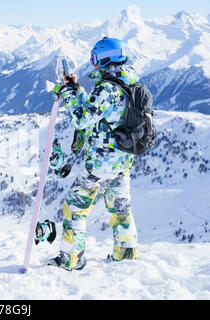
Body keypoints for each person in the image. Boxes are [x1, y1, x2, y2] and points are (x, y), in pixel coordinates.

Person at [49, 37, 139, 271]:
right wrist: (77, 89)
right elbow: (96, 110)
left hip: (102, 163)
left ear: (106, 57)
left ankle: (72, 258)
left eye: (95, 58)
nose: (93, 63)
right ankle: (126, 256)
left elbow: (82, 118)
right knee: (121, 209)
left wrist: (67, 93)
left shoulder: (107, 88)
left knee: (75, 207)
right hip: (123, 161)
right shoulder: (127, 81)